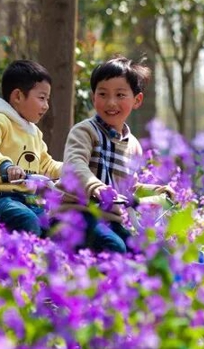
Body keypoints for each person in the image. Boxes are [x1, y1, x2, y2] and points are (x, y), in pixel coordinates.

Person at [63, 56, 173, 254]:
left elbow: (129, 188)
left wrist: (156, 192)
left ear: (137, 100)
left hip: (110, 220)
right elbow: (75, 164)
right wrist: (96, 187)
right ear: (93, 97)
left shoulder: (133, 146)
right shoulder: (85, 131)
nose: (111, 102)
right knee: (115, 247)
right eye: (103, 94)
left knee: (147, 253)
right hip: (76, 214)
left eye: (120, 95)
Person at [0, 60, 63, 237]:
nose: (46, 105)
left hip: (24, 200)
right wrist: (5, 166)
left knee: (57, 227)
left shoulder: (34, 133)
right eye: (41, 98)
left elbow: (46, 165)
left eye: (47, 99)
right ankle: (22, 255)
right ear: (18, 96)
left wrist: (73, 170)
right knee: (25, 219)